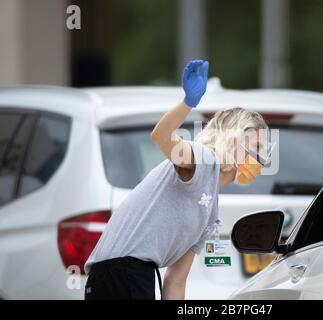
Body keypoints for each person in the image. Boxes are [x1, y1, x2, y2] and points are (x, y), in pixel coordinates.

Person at [84, 59, 270, 300]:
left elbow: (175, 282)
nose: (262, 158)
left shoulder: (210, 214)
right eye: (257, 146)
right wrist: (188, 103)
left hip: (135, 275)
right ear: (233, 140)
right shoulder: (204, 159)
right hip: (122, 274)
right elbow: (161, 136)